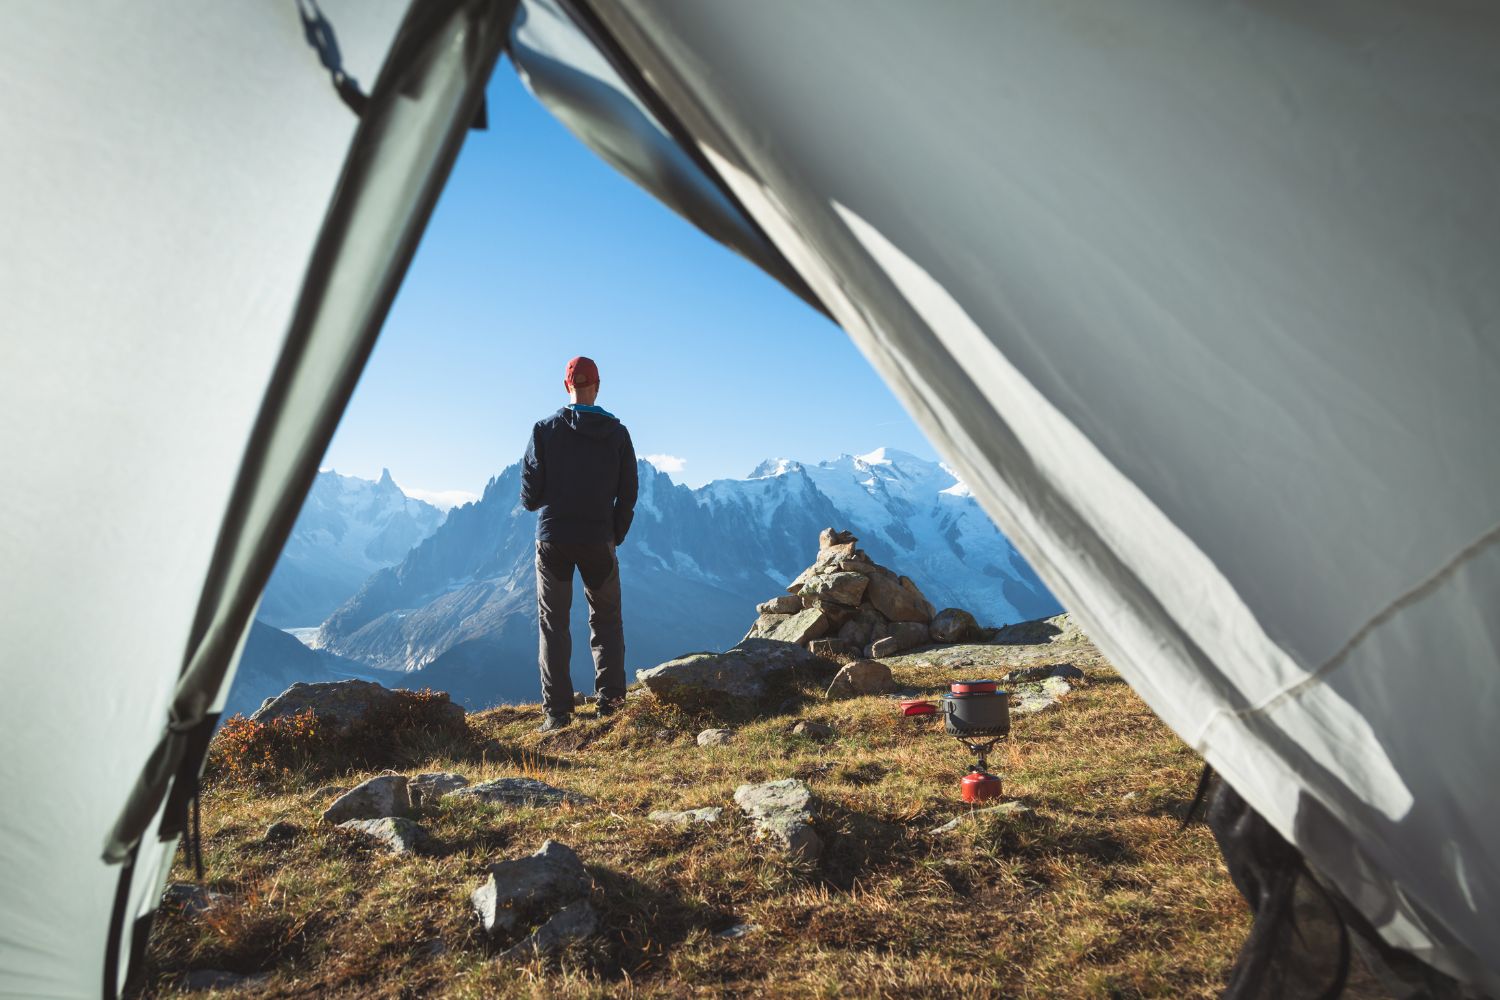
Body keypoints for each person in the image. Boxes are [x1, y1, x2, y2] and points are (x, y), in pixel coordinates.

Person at [520, 356, 638, 732]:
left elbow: (529, 497)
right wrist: (613, 535)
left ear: (565, 385)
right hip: (597, 539)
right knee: (606, 621)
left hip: (553, 538)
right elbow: (629, 493)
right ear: (598, 386)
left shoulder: (544, 430)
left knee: (553, 625)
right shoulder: (617, 433)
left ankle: (557, 714)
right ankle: (612, 704)